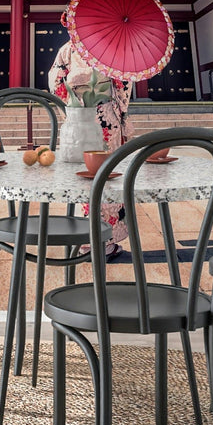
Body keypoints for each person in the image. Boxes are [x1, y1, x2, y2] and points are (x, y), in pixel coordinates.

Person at [48, 21, 132, 256]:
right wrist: (119, 110)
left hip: (79, 118)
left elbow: (55, 82)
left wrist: (73, 101)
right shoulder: (111, 49)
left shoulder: (67, 50)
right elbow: (123, 83)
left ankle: (84, 237)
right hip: (106, 118)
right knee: (108, 177)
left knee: (82, 177)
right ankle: (105, 240)